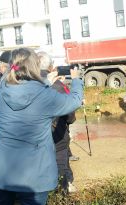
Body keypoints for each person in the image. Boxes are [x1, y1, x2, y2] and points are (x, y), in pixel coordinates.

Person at [0, 48, 84, 205]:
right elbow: (73, 102)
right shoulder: (45, 96)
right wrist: (76, 80)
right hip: (34, 173)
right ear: (35, 66)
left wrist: (45, 82)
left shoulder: (2, 89)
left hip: (1, 169)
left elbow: (23, 89)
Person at [37, 51, 77, 193]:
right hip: (57, 136)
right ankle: (64, 192)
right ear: (51, 67)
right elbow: (70, 115)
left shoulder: (27, 83)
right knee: (61, 166)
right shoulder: (58, 86)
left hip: (35, 139)